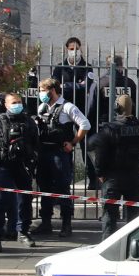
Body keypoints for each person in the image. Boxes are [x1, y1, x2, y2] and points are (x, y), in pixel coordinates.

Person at [32, 78, 91, 238]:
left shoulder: (67, 107)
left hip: (59, 153)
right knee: (44, 187)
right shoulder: (42, 107)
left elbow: (85, 124)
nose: (41, 94)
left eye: (43, 90)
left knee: (62, 188)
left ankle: (66, 224)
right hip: (44, 152)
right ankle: (45, 223)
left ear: (52, 90)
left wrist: (73, 142)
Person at [0, 93, 39, 252]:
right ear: (6, 105)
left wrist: (33, 160)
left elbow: (36, 144)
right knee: (2, 201)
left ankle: (23, 232)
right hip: (3, 166)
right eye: (14, 102)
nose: (17, 105)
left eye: (19, 102)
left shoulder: (29, 122)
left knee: (25, 201)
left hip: (22, 166)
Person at [88, 94, 139, 240]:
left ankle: (108, 248)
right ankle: (135, 246)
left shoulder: (110, 129)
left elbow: (97, 150)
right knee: (134, 217)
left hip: (112, 177)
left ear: (117, 108)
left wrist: (99, 172)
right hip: (133, 176)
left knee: (109, 216)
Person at [52, 37, 98, 189]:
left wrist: (67, 86)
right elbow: (56, 88)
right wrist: (77, 85)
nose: (74, 51)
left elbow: (88, 87)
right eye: (71, 49)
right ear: (66, 50)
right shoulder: (60, 68)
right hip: (64, 111)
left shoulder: (87, 67)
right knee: (66, 145)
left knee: (87, 146)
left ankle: (93, 179)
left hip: (82, 111)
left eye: (76, 48)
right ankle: (66, 179)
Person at [91, 55, 138, 125]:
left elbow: (91, 108)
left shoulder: (100, 83)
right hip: (125, 124)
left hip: (104, 125)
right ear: (121, 67)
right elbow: (137, 106)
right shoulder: (130, 83)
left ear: (107, 67)